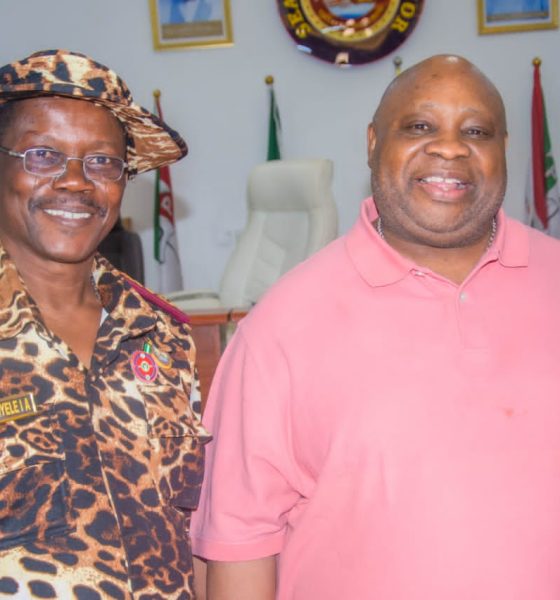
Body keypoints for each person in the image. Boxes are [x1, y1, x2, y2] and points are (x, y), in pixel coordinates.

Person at [191, 54, 560, 599]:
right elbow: (238, 542)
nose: (450, 148)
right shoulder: (280, 326)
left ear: (503, 147)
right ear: (372, 142)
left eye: (476, 131)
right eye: (420, 126)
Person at [0, 49, 209, 599]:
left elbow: (198, 530)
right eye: (43, 155)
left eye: (101, 162)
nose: (75, 182)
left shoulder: (163, 336)